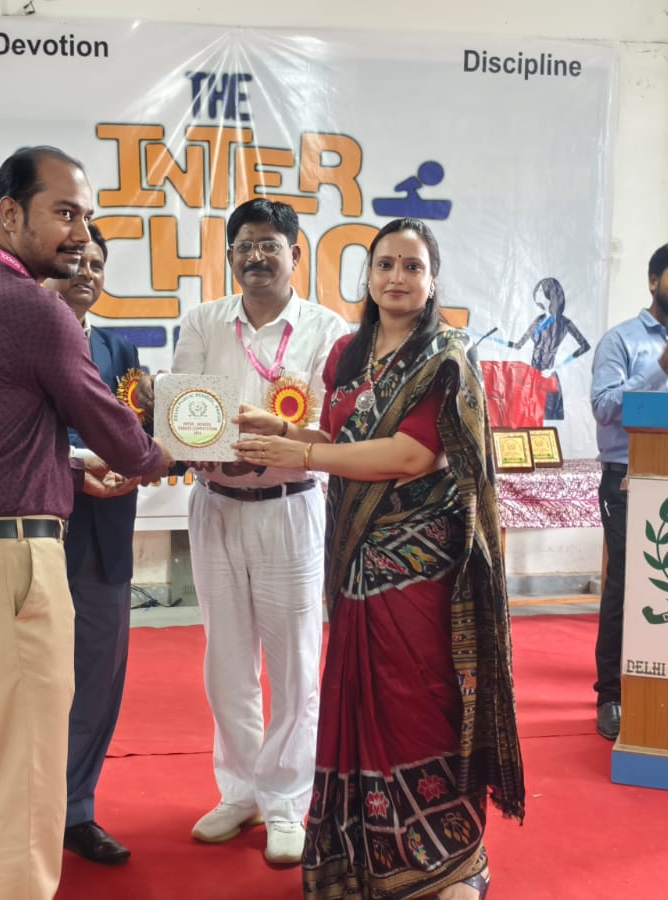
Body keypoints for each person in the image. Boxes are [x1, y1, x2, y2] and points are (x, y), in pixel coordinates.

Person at [232, 218, 523, 900]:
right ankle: (364, 855)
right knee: (359, 703)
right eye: (385, 264)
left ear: (432, 279)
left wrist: (303, 454)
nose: (397, 277)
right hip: (356, 563)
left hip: (421, 566)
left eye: (412, 267)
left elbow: (411, 455)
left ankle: (454, 863)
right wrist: (289, 428)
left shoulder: (445, 358)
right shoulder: (346, 353)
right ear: (368, 275)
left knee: (421, 702)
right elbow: (341, 437)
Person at [0, 146, 170, 900]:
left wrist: (69, 469)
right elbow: (125, 440)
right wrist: (185, 448)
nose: (80, 233)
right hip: (11, 564)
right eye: (64, 213)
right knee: (26, 779)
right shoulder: (33, 306)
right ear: (10, 211)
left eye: (86, 216)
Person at [171, 198, 349, 865]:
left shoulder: (329, 331)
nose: (256, 256)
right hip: (215, 502)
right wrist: (203, 451)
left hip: (289, 506)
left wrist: (280, 441)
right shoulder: (203, 321)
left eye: (270, 245)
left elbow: (336, 426)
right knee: (226, 661)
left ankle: (286, 802)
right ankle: (241, 788)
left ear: (295, 254)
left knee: (295, 663)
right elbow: (184, 414)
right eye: (244, 245)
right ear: (230, 255)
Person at [37, 224, 143, 866]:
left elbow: (133, 431)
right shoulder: (23, 337)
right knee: (32, 685)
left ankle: (75, 809)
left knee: (98, 682)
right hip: (35, 536)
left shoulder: (119, 348)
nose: (87, 273)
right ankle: (27, 810)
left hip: (105, 537)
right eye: (76, 260)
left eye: (98, 263)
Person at [589, 241, 668, 740]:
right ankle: (611, 693)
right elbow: (604, 407)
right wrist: (659, 365)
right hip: (629, 478)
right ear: (653, 281)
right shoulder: (620, 340)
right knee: (626, 583)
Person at [504, 277, 591, 418]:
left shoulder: (564, 322)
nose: (536, 293)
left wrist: (557, 367)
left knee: (547, 420)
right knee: (528, 420)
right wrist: (500, 341)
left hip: (548, 378)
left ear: (549, 293)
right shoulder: (538, 320)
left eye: (540, 290)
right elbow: (519, 345)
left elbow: (585, 346)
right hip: (532, 378)